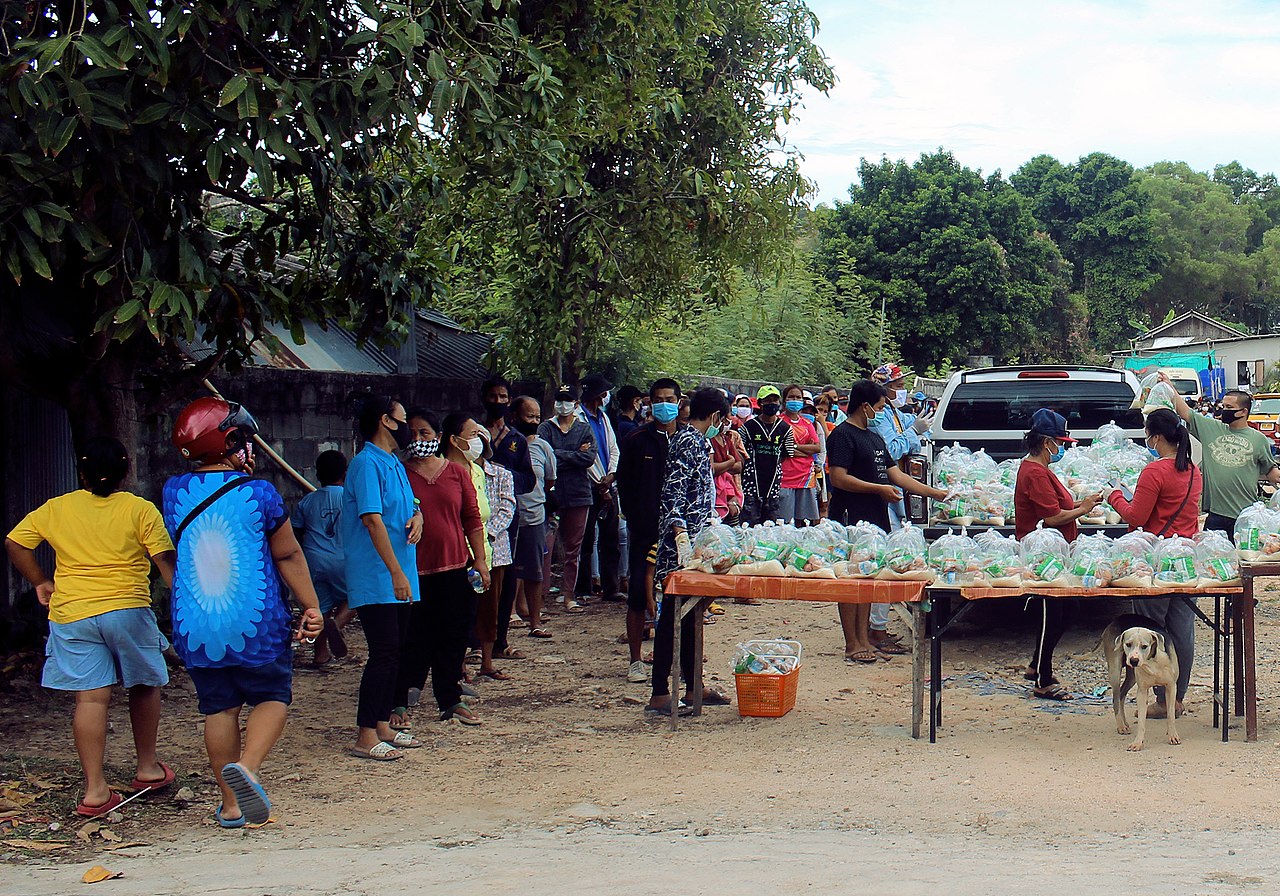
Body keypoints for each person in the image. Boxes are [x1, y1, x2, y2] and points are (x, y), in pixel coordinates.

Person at [165, 397, 324, 824]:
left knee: (219, 709)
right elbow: (288, 555)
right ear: (231, 441)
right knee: (272, 696)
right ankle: (249, 770)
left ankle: (231, 805)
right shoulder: (260, 494)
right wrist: (312, 606)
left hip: (195, 624)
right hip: (255, 621)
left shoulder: (174, 492)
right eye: (244, 440)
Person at [6, 437, 177, 818]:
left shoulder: (57, 508)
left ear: (80, 472)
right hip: (127, 610)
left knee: (90, 699)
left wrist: (41, 581)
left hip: (73, 613)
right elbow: (164, 561)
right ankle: (147, 768)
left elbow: (16, 542)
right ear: (125, 470)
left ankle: (96, 790)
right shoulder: (139, 509)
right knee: (145, 683)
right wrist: (184, 604)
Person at [825, 381, 948, 665]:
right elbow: (839, 478)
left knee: (867, 578)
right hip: (851, 517)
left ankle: (865, 637)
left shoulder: (875, 438)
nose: (880, 413)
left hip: (876, 519)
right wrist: (877, 489)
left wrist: (934, 493)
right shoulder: (842, 436)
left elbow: (896, 475)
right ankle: (852, 644)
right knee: (850, 580)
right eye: (879, 407)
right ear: (865, 405)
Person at [342, 395, 425, 763]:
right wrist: (394, 572)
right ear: (385, 421)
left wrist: (418, 516)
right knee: (383, 653)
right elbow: (372, 519)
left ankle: (383, 724)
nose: (408, 426)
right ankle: (364, 734)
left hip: (400, 573)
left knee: (400, 651)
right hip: (378, 575)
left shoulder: (393, 463)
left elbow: (409, 504)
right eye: (403, 419)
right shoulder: (365, 465)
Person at [394, 409, 489, 731]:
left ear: (437, 436)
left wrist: (480, 561)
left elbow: (472, 519)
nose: (418, 440)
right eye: (413, 434)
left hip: (454, 566)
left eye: (424, 433)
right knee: (414, 636)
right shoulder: (399, 473)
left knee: (453, 634)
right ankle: (401, 698)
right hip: (414, 570)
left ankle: (449, 697)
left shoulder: (457, 473)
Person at [1107, 408, 1203, 719]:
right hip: (1185, 558)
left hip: (1154, 562)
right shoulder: (1192, 470)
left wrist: (1115, 496)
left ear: (1156, 437)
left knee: (1150, 631)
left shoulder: (1154, 472)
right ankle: (1174, 698)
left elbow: (1136, 516)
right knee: (1182, 630)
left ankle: (1157, 696)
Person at [648, 389, 732, 715]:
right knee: (672, 617)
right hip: (678, 547)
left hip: (696, 543)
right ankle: (659, 692)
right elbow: (673, 492)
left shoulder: (697, 442)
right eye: (721, 421)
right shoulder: (687, 442)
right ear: (714, 416)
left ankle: (694, 685)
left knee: (691, 615)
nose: (721, 427)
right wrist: (680, 534)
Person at [1014, 408, 1102, 701]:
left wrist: (1082, 502)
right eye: (1060, 442)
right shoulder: (1035, 472)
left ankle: (1036, 663)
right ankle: (1042, 677)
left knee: (1069, 610)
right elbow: (1051, 518)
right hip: (1044, 555)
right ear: (1046, 442)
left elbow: (1058, 505)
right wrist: (1083, 510)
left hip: (1056, 551)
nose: (1062, 447)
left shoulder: (1042, 471)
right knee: (1051, 613)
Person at [1158, 372, 1280, 538]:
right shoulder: (1211, 428)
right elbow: (1185, 412)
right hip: (1216, 515)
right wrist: (1169, 386)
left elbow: (1271, 473)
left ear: (1243, 411)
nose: (1224, 411)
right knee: (1214, 561)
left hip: (1245, 517)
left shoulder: (1259, 440)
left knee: (1244, 560)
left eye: (1229, 408)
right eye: (1223, 406)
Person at [618, 378, 682, 683]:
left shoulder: (687, 439)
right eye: (658, 399)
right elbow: (625, 484)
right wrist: (636, 517)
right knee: (637, 595)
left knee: (679, 594)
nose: (664, 404)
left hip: (678, 533)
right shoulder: (636, 439)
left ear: (679, 402)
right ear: (649, 403)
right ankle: (635, 659)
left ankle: (678, 659)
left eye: (669, 398)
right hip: (644, 528)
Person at [869, 363, 934, 652]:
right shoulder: (879, 418)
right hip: (886, 492)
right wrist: (913, 433)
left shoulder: (895, 413)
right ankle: (876, 628)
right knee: (888, 560)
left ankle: (879, 626)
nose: (900, 390)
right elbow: (890, 451)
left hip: (901, 492)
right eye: (895, 386)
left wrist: (917, 428)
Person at [480, 378, 533, 677]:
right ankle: (474, 642)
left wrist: (503, 477)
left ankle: (499, 640)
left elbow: (529, 479)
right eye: (492, 396)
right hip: (474, 518)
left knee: (505, 581)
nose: (497, 401)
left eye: (502, 396)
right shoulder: (473, 433)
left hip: (505, 521)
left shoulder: (516, 440)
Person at [291, 450, 354, 667]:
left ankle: (320, 655)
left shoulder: (307, 502)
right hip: (345, 560)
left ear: (317, 474)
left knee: (319, 607)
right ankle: (336, 624)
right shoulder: (351, 499)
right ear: (345, 474)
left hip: (314, 561)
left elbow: (296, 533)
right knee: (357, 596)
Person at [538, 385, 597, 613]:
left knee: (574, 548)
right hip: (551, 494)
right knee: (546, 547)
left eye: (568, 400)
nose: (563, 405)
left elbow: (589, 458)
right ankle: (540, 597)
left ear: (576, 404)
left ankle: (568, 594)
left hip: (579, 493)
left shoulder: (584, 429)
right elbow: (544, 456)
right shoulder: (546, 428)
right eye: (560, 400)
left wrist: (559, 454)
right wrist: (574, 455)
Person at [509, 396, 556, 639]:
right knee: (510, 569)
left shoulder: (543, 447)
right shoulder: (506, 443)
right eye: (529, 416)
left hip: (535, 514)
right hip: (507, 516)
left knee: (534, 570)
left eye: (538, 417)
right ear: (515, 416)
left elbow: (549, 480)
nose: (534, 421)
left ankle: (535, 621)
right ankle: (508, 614)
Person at [576, 374, 622, 604]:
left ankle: (610, 586)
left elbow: (613, 449)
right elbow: (586, 455)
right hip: (588, 484)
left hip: (607, 483)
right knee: (585, 539)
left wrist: (611, 476)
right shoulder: (578, 418)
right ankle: (583, 587)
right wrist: (599, 481)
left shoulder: (604, 418)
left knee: (610, 539)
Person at [477, 441, 517, 678]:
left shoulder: (501, 474)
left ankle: (487, 660)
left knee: (490, 607)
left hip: (495, 550)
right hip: (463, 550)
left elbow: (507, 508)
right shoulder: (455, 472)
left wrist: (485, 533)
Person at [740, 385, 795, 525]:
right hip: (751, 482)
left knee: (770, 524)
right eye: (767, 400)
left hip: (773, 483)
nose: (772, 404)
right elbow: (738, 448)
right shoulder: (749, 427)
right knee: (749, 522)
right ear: (760, 403)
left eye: (775, 400)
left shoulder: (785, 428)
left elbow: (788, 452)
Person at [778, 384, 821, 525]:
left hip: (806, 477)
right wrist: (805, 450)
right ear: (784, 400)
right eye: (791, 397)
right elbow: (784, 449)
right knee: (784, 522)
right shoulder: (779, 422)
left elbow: (816, 447)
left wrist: (795, 447)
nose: (795, 400)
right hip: (785, 477)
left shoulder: (807, 423)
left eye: (798, 397)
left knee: (804, 522)